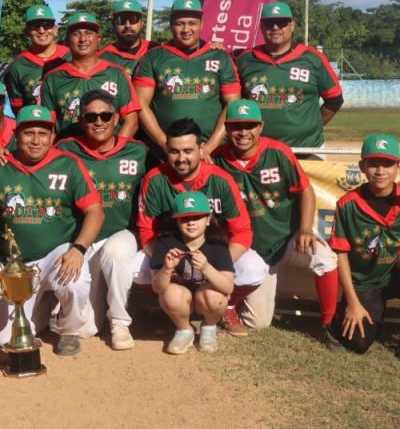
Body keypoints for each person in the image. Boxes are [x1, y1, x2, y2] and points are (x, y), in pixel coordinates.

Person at [0, 105, 106, 356]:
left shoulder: (68, 164)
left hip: (56, 255)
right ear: (16, 135)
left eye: (43, 133)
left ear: (52, 136)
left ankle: (68, 330)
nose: (36, 140)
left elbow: (96, 211)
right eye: (29, 133)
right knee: (4, 339)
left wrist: (79, 249)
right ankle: (45, 304)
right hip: (16, 266)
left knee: (75, 278)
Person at [211, 100, 339, 336]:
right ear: (226, 129)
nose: (243, 132)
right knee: (257, 322)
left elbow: (306, 190)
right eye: (236, 126)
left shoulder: (277, 151)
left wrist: (305, 229)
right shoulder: (217, 159)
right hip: (250, 248)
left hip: (288, 238)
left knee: (324, 256)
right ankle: (227, 305)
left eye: (250, 126)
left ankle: (328, 324)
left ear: (261, 126)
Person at [137, 118, 267, 337]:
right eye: (174, 151)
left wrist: (218, 265)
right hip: (174, 254)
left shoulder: (221, 180)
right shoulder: (156, 179)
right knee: (133, 267)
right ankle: (175, 305)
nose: (181, 158)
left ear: (201, 148)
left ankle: (227, 306)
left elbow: (243, 230)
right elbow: (147, 230)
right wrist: (169, 266)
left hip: (215, 253)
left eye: (188, 150)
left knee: (255, 267)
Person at [328, 134, 400, 358]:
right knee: (358, 343)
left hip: (399, 271)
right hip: (365, 282)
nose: (380, 171)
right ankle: (358, 315)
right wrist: (352, 302)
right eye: (373, 164)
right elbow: (340, 253)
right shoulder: (348, 204)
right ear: (361, 166)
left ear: (399, 166)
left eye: (388, 164)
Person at [57, 89, 148, 350]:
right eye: (91, 117)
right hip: (82, 236)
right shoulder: (66, 149)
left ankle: (120, 321)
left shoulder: (137, 150)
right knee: (87, 329)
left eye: (105, 115)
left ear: (117, 118)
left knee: (116, 252)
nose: (99, 122)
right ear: (81, 120)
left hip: (120, 232)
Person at [133, 0, 240, 155]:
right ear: (170, 25)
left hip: (212, 153)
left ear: (202, 24)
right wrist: (165, 144)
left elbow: (233, 105)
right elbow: (140, 104)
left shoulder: (219, 57)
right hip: (165, 153)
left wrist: (210, 147)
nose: (185, 29)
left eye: (192, 23)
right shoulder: (154, 57)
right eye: (179, 23)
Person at [234, 1, 343, 149]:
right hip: (258, 150)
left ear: (292, 25)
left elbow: (335, 99)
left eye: (281, 22)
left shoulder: (312, 58)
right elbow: (231, 100)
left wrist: (312, 126)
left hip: (306, 148)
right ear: (261, 27)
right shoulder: (246, 59)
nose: (275, 27)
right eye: (269, 23)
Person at [150, 191, 235, 354]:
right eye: (185, 219)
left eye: (197, 217)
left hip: (207, 299)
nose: (191, 223)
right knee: (170, 293)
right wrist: (166, 269)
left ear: (208, 219)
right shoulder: (166, 243)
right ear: (176, 221)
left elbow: (228, 288)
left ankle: (209, 327)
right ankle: (184, 330)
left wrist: (206, 268)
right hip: (181, 301)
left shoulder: (217, 245)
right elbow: (157, 288)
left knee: (215, 296)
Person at [41, 12, 140, 139]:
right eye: (76, 34)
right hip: (69, 154)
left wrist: (113, 153)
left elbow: (131, 121)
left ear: (99, 39)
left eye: (88, 33)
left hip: (109, 155)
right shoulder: (53, 78)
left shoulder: (117, 74)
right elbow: (48, 127)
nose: (83, 39)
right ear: (67, 40)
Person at [5, 4, 69, 112]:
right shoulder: (18, 66)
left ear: (55, 29)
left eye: (47, 25)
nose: (42, 31)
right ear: (26, 32)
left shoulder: (70, 56)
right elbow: (18, 109)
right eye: (35, 26)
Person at [99, 0, 151, 73]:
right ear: (113, 24)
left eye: (133, 19)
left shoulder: (155, 51)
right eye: (121, 20)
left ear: (142, 23)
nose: (127, 25)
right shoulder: (102, 57)